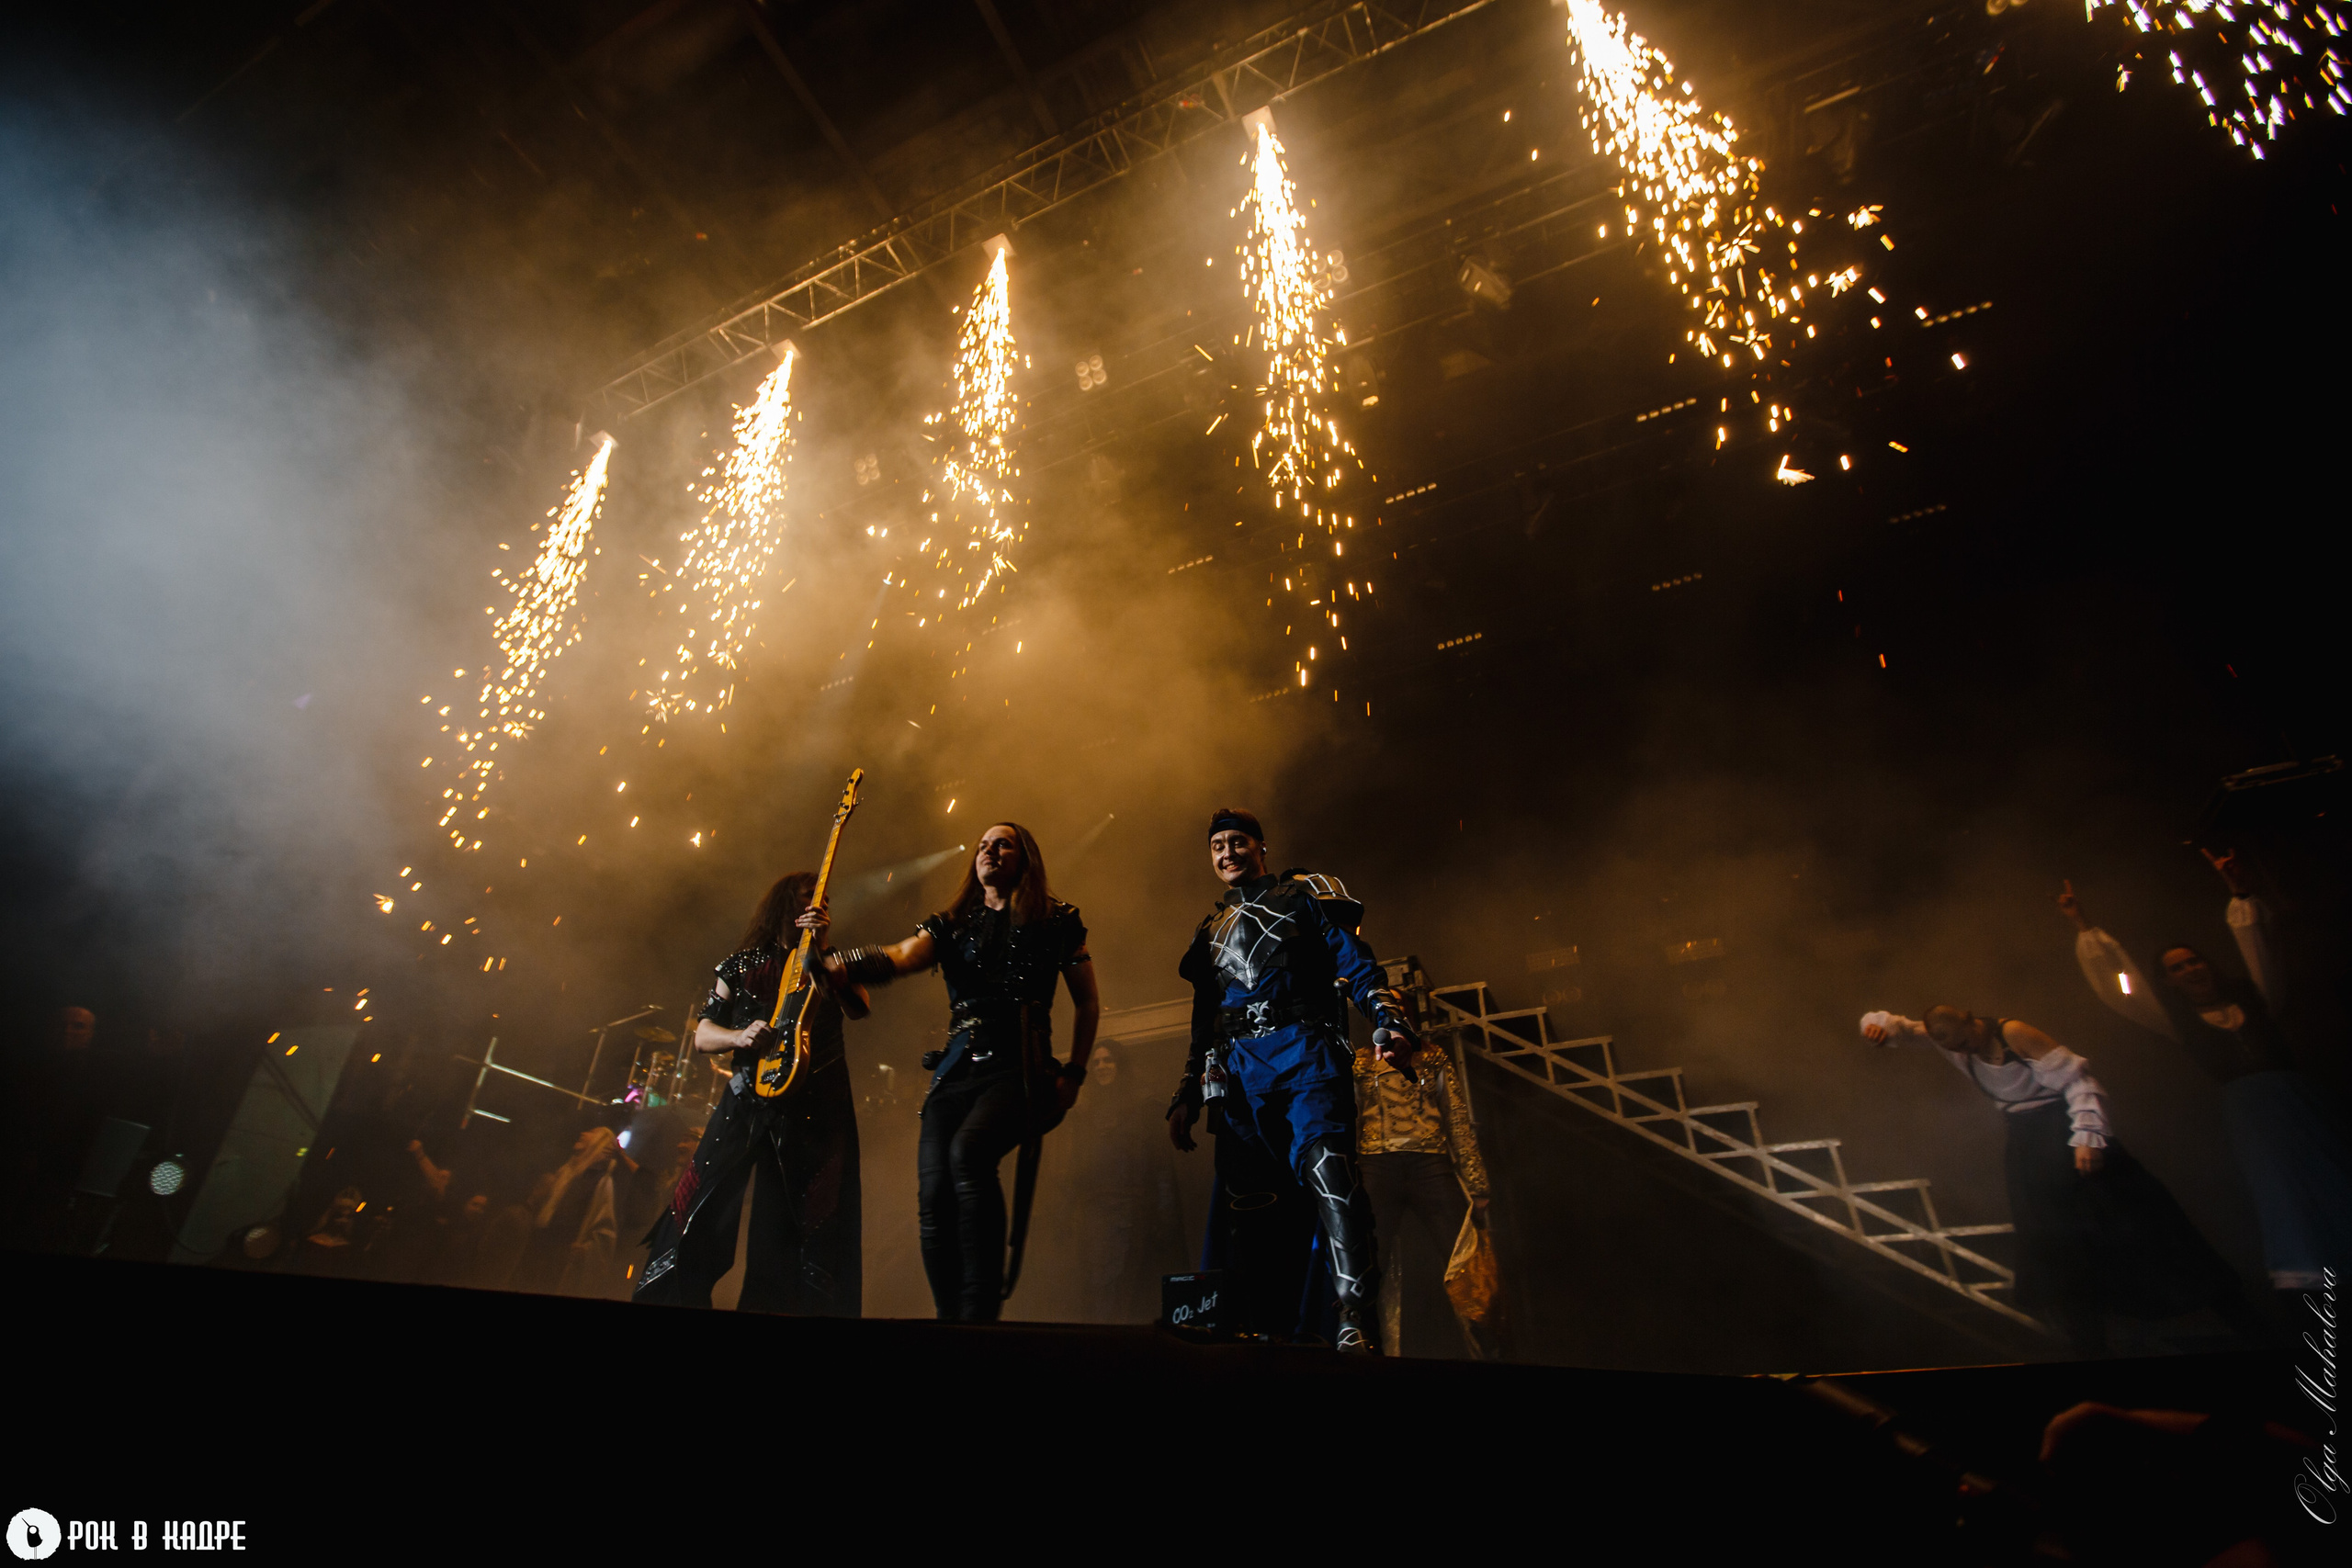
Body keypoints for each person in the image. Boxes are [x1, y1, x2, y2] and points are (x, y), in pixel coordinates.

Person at [1860, 1006, 2259, 1356]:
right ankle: (2090, 1345)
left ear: (1972, 1019)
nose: (1964, 1051)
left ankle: (2246, 1324)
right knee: (2054, 1242)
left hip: (2067, 1128)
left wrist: (2087, 1138)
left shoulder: (2014, 1032)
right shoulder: (1947, 1038)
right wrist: (1876, 1027)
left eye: (1966, 1041)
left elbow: (2079, 1081)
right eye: (1955, 1047)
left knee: (2142, 1225)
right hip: (2027, 1144)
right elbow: (1902, 1027)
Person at [823, 822, 1100, 1322]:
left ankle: (979, 1317)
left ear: (1025, 858)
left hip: (1021, 1066)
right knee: (933, 1194)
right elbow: (903, 956)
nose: (989, 851)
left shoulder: (1058, 920)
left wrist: (1075, 1074)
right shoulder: (951, 924)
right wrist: (844, 964)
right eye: (981, 846)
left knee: (968, 1154)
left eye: (1003, 844)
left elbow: (1087, 1001)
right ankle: (950, 1320)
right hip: (956, 1070)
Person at [1165, 809, 1418, 1353]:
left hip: (1305, 1057)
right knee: (1252, 1206)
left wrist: (1388, 1018)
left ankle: (1354, 1317)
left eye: (1236, 842)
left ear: (1261, 847)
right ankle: (1267, 1328)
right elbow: (1203, 1021)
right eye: (1216, 847)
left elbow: (1358, 963)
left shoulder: (1305, 897)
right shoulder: (1209, 930)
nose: (1226, 853)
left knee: (1329, 1173)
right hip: (1240, 1076)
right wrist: (1187, 1092)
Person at [2060, 854, 2352, 1295]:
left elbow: (2261, 952)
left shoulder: (2257, 1000)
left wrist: (2240, 894)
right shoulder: (2176, 1021)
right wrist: (2085, 928)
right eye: (2177, 969)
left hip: (2298, 1097)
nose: (2190, 970)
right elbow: (2122, 990)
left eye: (2193, 962)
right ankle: (2308, 1265)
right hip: (2251, 1109)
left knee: (2333, 1169)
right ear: (2170, 982)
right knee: (2281, 1184)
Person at [635, 871, 868, 1314]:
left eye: (824, 899)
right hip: (744, 1102)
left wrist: (821, 959)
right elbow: (703, 1034)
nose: (818, 904)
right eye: (807, 896)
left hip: (813, 1107)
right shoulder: (739, 964)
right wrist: (739, 1037)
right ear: (784, 904)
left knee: (795, 1225)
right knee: (700, 1207)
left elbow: (859, 1009)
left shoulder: (833, 960)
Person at [1354, 970, 1503, 1359]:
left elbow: (1456, 1118)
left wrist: (1478, 1184)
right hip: (1376, 1164)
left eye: (1398, 1009)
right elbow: (1348, 1121)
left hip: (1429, 1162)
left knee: (1464, 1256)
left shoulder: (1433, 1057)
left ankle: (1490, 1352)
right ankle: (1365, 1349)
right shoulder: (1358, 1063)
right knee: (1368, 1262)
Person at [518, 1125, 628, 1295]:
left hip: (559, 1265)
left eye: (591, 1132)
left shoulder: (600, 1181)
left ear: (600, 1143)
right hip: (536, 1256)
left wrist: (584, 1250)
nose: (583, 1134)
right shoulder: (565, 1173)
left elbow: (605, 1232)